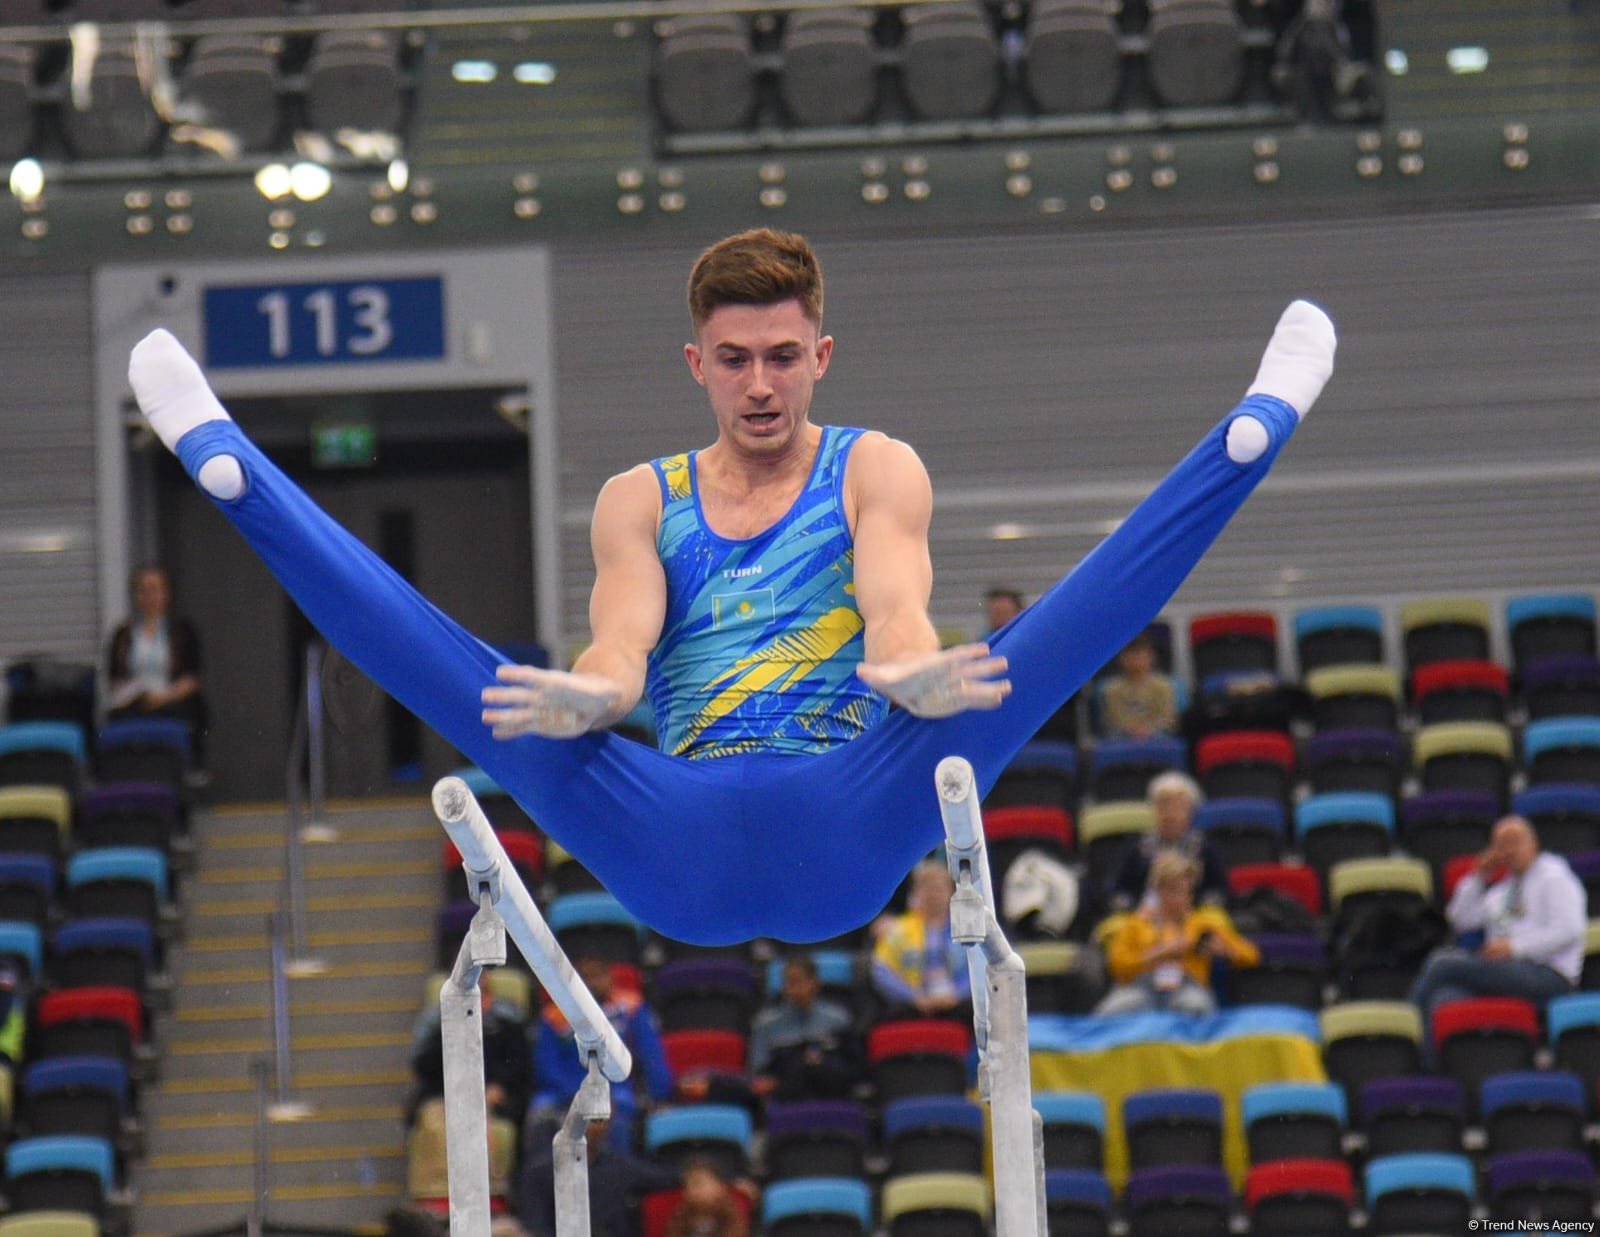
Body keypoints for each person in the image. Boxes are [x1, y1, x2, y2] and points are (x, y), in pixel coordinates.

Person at [126, 230, 1336, 946]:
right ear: (696, 364)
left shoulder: (876, 464)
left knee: (1019, 661)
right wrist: (592, 701)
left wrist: (909, 660)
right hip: (674, 830)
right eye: (736, 360)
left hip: (848, 805)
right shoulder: (639, 497)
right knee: (487, 691)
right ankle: (240, 480)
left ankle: (1255, 425)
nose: (761, 385)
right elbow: (620, 646)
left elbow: (896, 595)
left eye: (783, 357)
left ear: (821, 355)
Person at [1409, 815, 1585, 1039]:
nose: (1508, 850)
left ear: (1533, 844)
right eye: (1501, 845)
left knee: (1442, 962)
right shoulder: (1502, 890)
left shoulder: (1555, 877)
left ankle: (1401, 1025)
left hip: (1548, 973)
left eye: (1514, 842)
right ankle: (1429, 1066)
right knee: (1444, 997)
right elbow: (1460, 919)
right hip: (1503, 973)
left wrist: (1514, 947)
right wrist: (1478, 875)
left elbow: (1569, 930)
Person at [528, 957, 674, 1153]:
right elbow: (546, 1064)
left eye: (597, 977)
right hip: (563, 1092)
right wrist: (576, 1096)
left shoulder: (631, 1009)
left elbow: (651, 1056)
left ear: (609, 978)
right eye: (585, 978)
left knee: (620, 1115)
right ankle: (542, 1176)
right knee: (539, 1112)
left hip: (616, 1089)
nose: (592, 983)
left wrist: (660, 1095)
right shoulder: (554, 1015)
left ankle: (616, 1174)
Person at [1096, 851, 1259, 1017]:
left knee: (1196, 1006)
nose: (1181, 897)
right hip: (1140, 987)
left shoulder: (1203, 922)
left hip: (1187, 987)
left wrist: (1225, 951)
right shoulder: (1136, 923)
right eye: (1173, 890)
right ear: (1159, 890)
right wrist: (1158, 954)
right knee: (1110, 1012)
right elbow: (1117, 966)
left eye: (1185, 890)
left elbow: (1251, 955)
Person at [105, 564, 209, 763]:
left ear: (166, 594)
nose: (149, 597)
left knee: (186, 712)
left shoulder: (183, 631)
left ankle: (190, 771)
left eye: (155, 590)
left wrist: (163, 697)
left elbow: (192, 678)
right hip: (135, 701)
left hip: (172, 699)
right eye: (143, 591)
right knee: (117, 718)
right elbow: (115, 679)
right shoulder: (123, 635)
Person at [516, 1115, 679, 1237]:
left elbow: (663, 1177)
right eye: (590, 1119)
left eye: (600, 1120)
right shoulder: (539, 1172)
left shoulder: (618, 1166)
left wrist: (695, 1172)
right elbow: (535, 1224)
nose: (594, 1127)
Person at [408, 985, 534, 1126]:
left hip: (497, 1095)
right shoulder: (441, 1024)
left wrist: (500, 1085)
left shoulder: (506, 1023)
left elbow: (519, 1063)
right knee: (434, 1120)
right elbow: (424, 1066)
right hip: (445, 1095)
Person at [1108, 771, 1229, 911]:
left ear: (1190, 811)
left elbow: (1220, 890)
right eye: (1163, 806)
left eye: (1177, 807)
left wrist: (1200, 907)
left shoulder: (1205, 848)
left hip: (1194, 918)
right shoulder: (1137, 848)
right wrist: (1132, 907)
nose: (1170, 814)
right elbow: (1117, 890)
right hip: (1144, 919)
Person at [748, 955, 862, 1102]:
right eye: (788, 983)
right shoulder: (765, 1025)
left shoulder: (838, 1020)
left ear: (815, 983)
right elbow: (759, 1072)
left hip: (831, 1091)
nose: (792, 989)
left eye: (797, 981)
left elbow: (852, 1066)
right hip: (785, 1094)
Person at [871, 859, 972, 1019]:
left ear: (952, 893)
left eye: (939, 888)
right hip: (912, 1004)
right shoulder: (897, 930)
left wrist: (957, 994)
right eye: (927, 888)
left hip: (958, 1003)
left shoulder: (968, 929)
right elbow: (881, 970)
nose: (934, 895)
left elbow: (981, 966)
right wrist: (913, 997)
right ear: (915, 893)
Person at [1100, 628, 1177, 739]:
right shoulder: (1111, 689)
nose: (1136, 660)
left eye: (1140, 655)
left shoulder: (1163, 686)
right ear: (1121, 658)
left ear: (1151, 656)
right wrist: (1132, 729)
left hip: (1156, 733)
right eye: (1130, 655)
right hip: (1123, 734)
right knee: (1113, 737)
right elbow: (1112, 719)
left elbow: (1167, 718)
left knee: (1163, 737)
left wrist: (1148, 729)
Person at [665, 1159, 755, 1237]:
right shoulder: (684, 1211)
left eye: (698, 1184)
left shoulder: (730, 1210)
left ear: (720, 1187)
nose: (690, 1190)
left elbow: (736, 1233)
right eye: (687, 1185)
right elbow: (674, 1233)